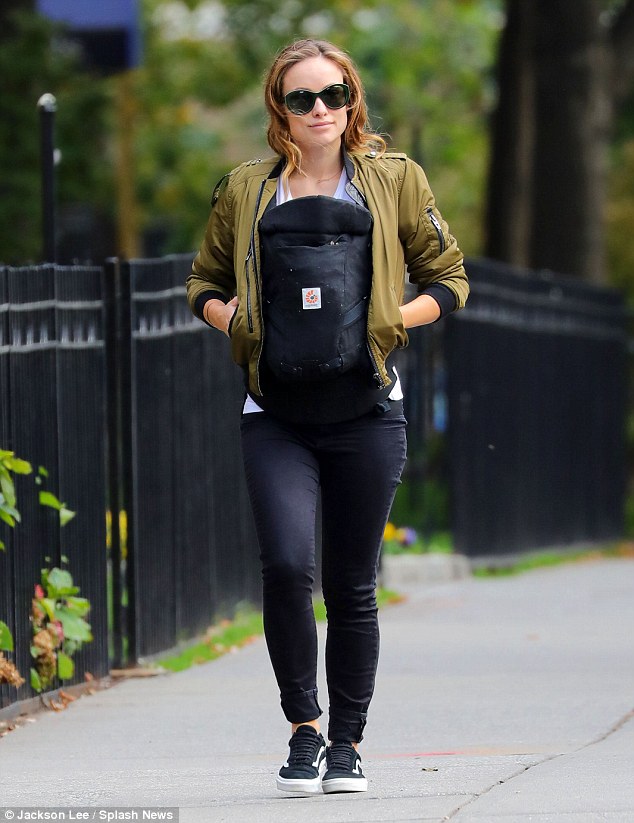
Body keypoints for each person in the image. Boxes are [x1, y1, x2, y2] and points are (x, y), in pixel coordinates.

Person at [186, 38, 469, 796]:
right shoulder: (247, 189)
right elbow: (203, 282)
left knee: (350, 585)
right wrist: (233, 319)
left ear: (352, 102)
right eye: (303, 98)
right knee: (286, 565)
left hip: (367, 411)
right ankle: (304, 728)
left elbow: (449, 279)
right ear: (279, 109)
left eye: (334, 95)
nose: (321, 110)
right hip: (274, 411)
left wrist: (389, 320)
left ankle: (348, 742)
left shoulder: (394, 180)